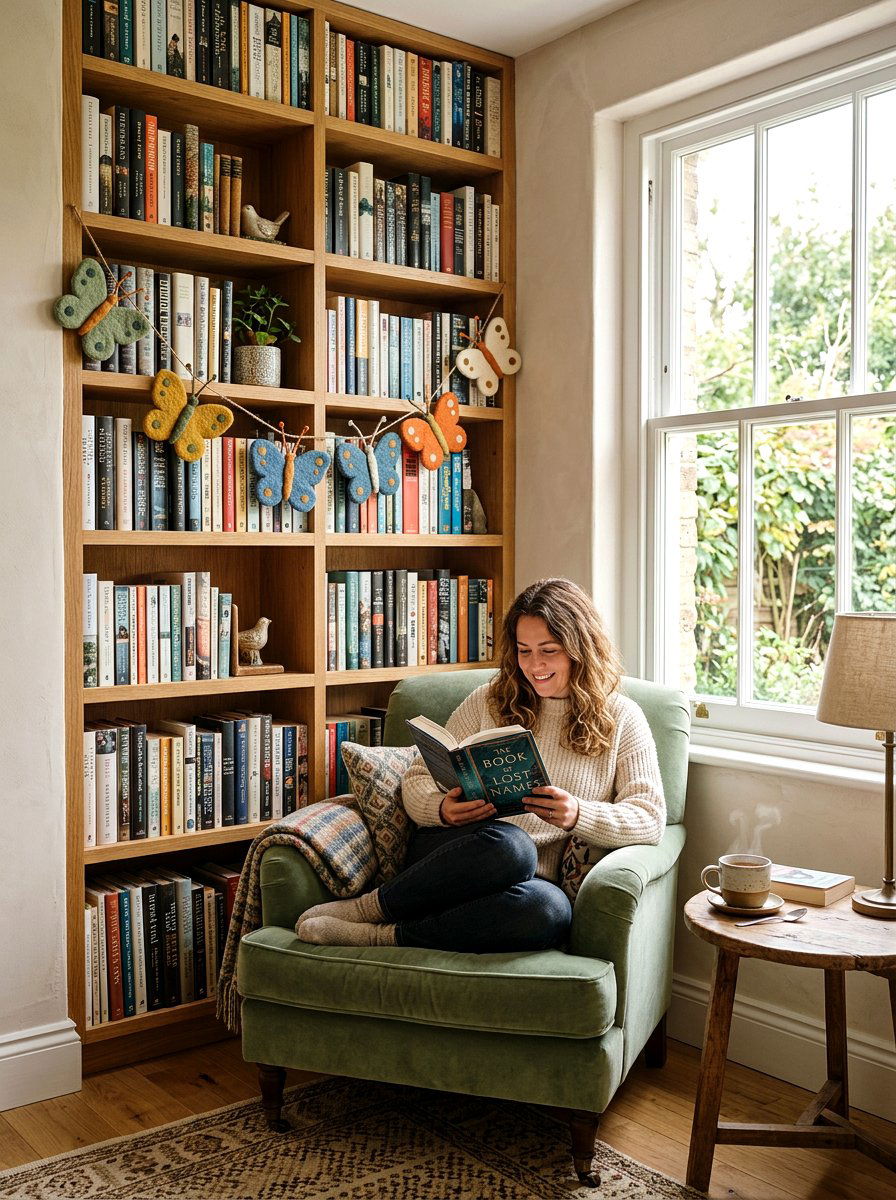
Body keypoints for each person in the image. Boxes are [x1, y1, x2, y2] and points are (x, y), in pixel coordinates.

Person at [297, 577, 665, 952]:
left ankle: (382, 936)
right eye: (523, 651)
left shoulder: (621, 717)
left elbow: (650, 817)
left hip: (531, 882)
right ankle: (367, 909)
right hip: (462, 855)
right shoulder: (490, 699)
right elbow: (419, 776)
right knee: (511, 846)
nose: (534, 666)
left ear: (579, 648)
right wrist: (442, 809)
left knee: (550, 911)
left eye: (548, 650)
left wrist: (578, 815)